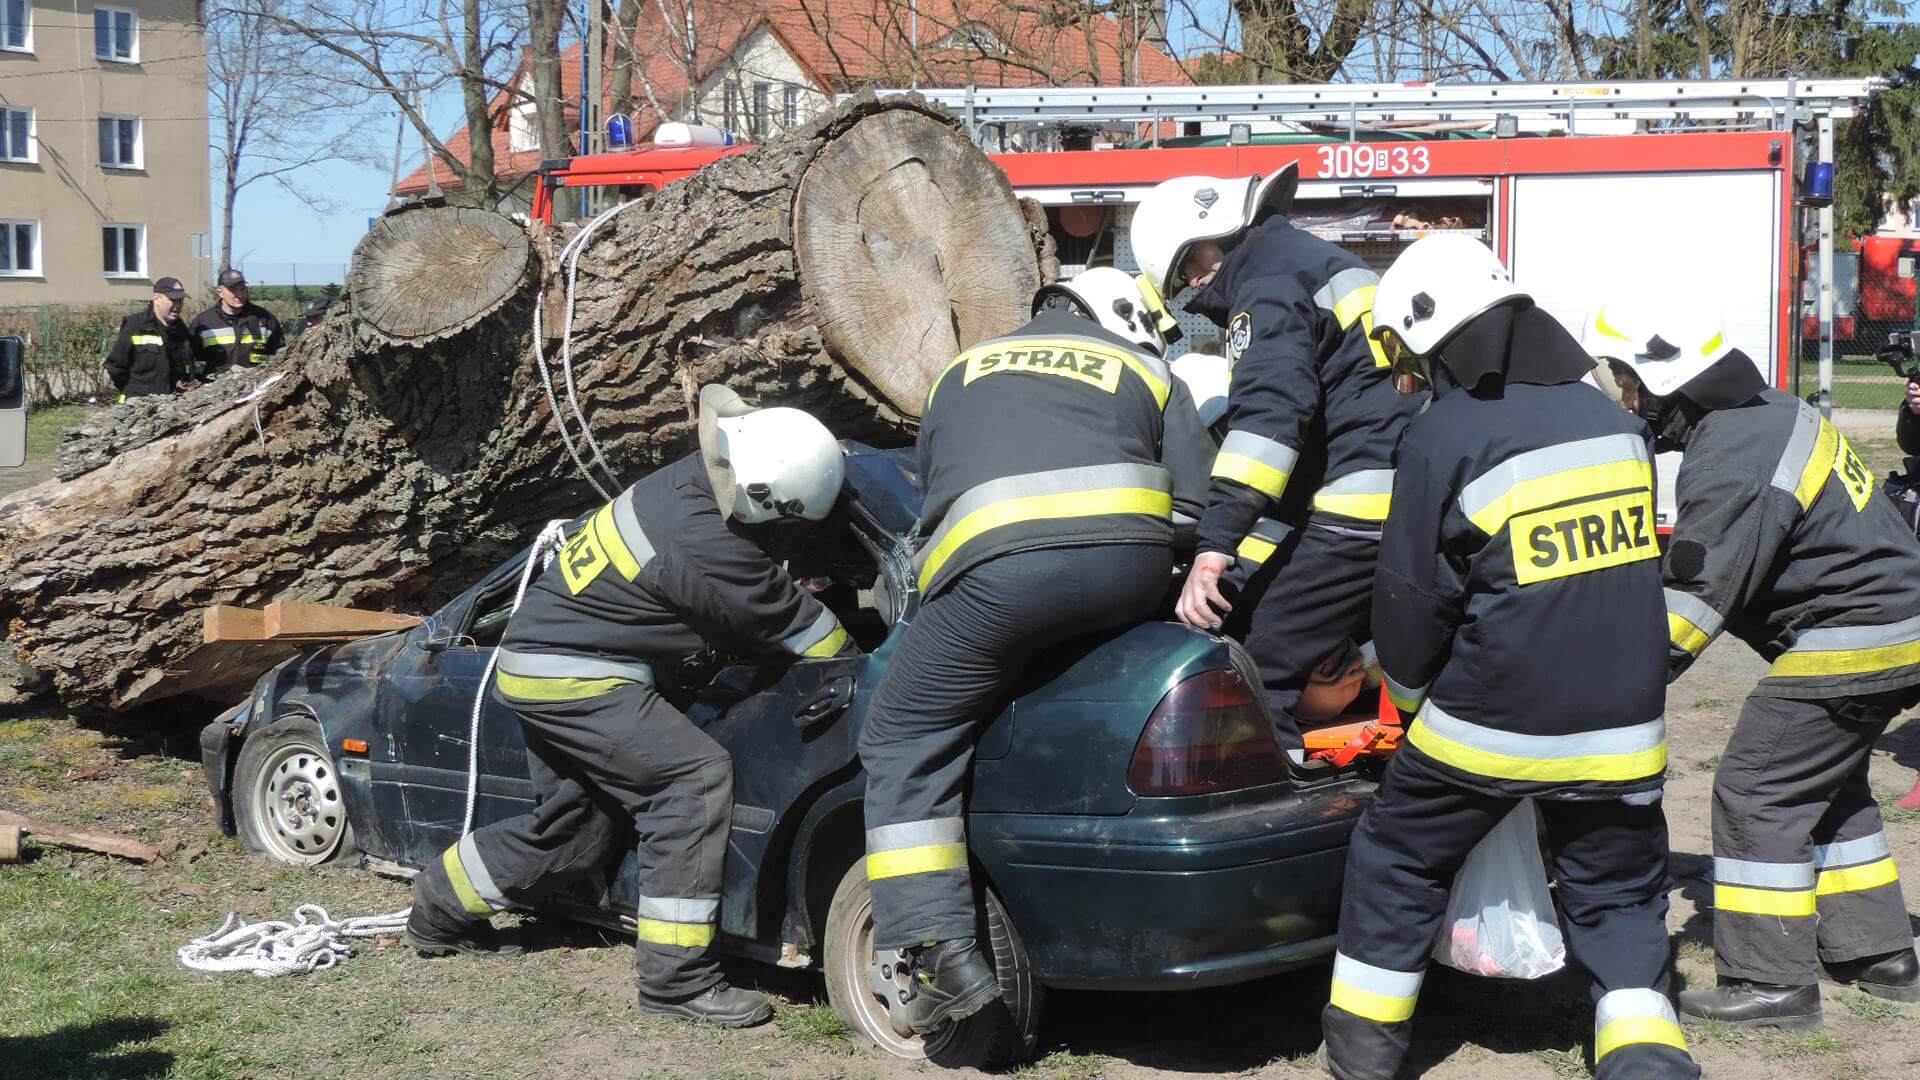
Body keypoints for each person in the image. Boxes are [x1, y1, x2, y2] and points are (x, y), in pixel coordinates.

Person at [1322, 236, 1697, 1080]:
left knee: (1398, 858)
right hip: (1624, 730)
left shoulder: (1446, 434)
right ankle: (1648, 1062)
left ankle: (1362, 1057)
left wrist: (1413, 707)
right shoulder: (1612, 421)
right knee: (1618, 890)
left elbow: (1413, 606)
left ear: (1433, 334)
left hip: (1487, 729)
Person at [404, 385, 856, 1027]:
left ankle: (436, 907)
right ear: (765, 499)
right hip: (579, 676)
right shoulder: (706, 541)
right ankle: (677, 981)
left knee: (575, 830)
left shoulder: (692, 479)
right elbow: (809, 634)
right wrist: (869, 648)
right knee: (690, 780)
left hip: (542, 665)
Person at [859, 267, 1214, 1035]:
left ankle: (933, 952)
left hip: (999, 581)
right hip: (1129, 569)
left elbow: (938, 497)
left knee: (902, 734)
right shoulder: (1148, 371)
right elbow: (1195, 507)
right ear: (1125, 318)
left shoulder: (959, 369)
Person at [1586, 298, 1920, 1029]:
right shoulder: (1762, 412)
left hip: (1852, 637)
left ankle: (1770, 982)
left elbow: (1695, 604)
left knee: (1756, 791)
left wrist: (1605, 687)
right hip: (1895, 627)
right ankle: (1882, 955)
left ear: (1663, 383)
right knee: (1824, 788)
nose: (1625, 401)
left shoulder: (1731, 453)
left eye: (1626, 383)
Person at [1130, 168, 1422, 764]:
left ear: (1212, 232)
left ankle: (1283, 804)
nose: (1193, 281)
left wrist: (1211, 550)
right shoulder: (1316, 260)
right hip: (1405, 493)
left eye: (1188, 265)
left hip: (1358, 504)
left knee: (1256, 667)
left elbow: (1269, 419)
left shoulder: (1266, 283)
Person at [104, 277, 194, 401]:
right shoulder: (135, 325)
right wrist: (133, 392)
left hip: (170, 406)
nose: (177, 306)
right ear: (156, 299)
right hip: (138, 405)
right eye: (173, 300)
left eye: (180, 300)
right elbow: (115, 366)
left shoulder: (181, 330)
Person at [188, 269, 285, 377]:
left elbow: (280, 355)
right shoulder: (204, 322)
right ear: (220, 292)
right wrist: (226, 370)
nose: (239, 294)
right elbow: (194, 362)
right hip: (216, 389)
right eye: (233, 290)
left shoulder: (264, 318)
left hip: (257, 387)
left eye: (242, 289)